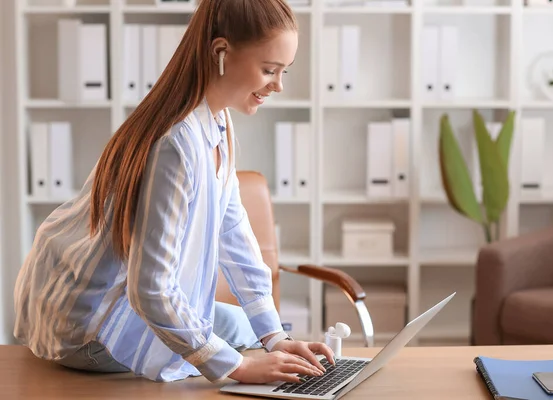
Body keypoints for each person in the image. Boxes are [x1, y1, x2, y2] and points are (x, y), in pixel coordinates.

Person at [13, 0, 334, 384]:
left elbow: (233, 234)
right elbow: (151, 289)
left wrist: (275, 337)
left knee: (247, 332)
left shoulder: (219, 123)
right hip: (91, 331)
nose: (278, 85)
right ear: (220, 52)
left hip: (122, 306)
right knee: (228, 347)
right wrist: (239, 367)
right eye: (269, 70)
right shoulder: (175, 144)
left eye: (284, 72)